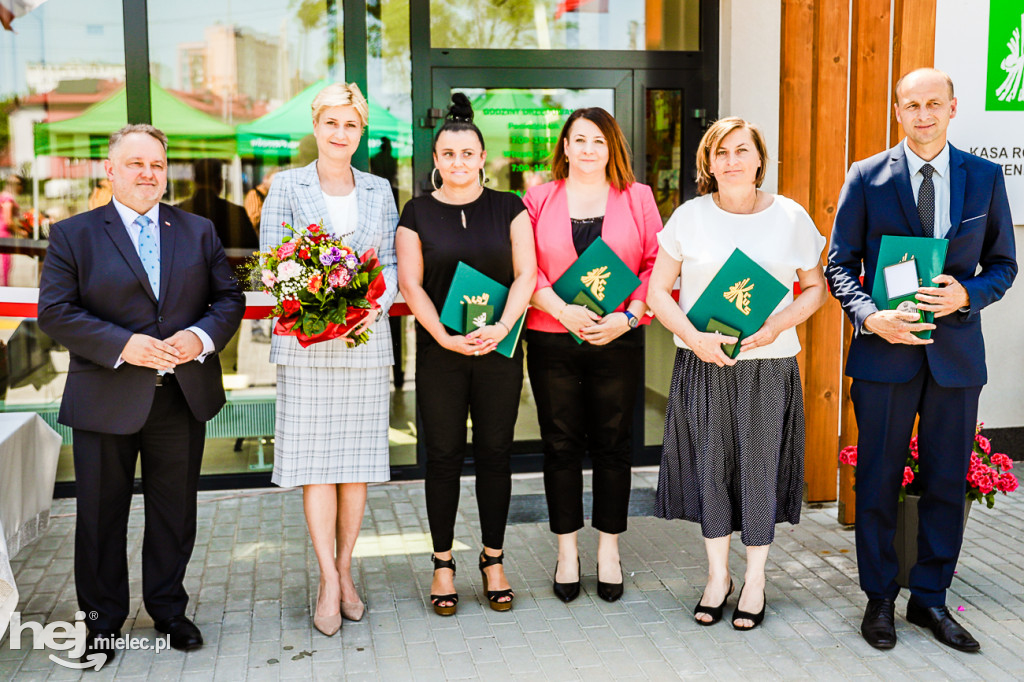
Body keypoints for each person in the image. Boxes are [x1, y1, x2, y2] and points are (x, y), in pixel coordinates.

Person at [36, 124, 245, 663]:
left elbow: (228, 300)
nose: (148, 174)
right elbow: (56, 312)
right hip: (106, 397)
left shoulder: (197, 231)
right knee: (100, 516)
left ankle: (169, 610)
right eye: (136, 164)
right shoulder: (72, 234)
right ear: (110, 170)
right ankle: (102, 623)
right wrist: (124, 345)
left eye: (156, 164)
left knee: (174, 513)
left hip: (181, 396)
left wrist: (198, 337)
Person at [827, 68, 1016, 652]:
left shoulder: (984, 177)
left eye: (934, 103)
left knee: (944, 482)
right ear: (898, 110)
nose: (924, 114)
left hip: (956, 358)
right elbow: (839, 264)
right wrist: (869, 315)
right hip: (885, 356)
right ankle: (880, 598)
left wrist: (967, 293)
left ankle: (930, 600)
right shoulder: (867, 177)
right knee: (879, 480)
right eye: (912, 105)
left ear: (953, 108)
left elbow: (1004, 266)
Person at [647, 117, 827, 630]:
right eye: (721, 152)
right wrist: (694, 336)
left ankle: (756, 578)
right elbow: (659, 291)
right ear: (708, 162)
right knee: (712, 471)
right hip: (704, 364)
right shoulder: (689, 216)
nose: (731, 160)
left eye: (741, 150)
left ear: (758, 159)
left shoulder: (790, 217)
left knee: (757, 471)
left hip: (767, 367)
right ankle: (716, 576)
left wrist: (778, 324)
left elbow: (815, 288)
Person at [259, 82, 399, 636]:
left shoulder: (379, 188)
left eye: (351, 126)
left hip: (363, 345)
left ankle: (346, 571)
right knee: (317, 468)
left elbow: (387, 261)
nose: (341, 134)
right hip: (307, 346)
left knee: (357, 467)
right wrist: (316, 299)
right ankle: (325, 579)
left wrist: (373, 305)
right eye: (332, 123)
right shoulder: (287, 186)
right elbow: (274, 265)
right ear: (315, 127)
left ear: (361, 132)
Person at [396, 93, 536, 616]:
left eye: (467, 153)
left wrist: (502, 326)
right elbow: (411, 284)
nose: (458, 162)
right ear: (436, 160)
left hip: (499, 348)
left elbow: (526, 274)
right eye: (447, 154)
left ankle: (494, 559)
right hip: (442, 353)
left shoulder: (510, 207)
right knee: (444, 457)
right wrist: (442, 335)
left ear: (482, 157)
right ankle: (442, 563)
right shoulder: (416, 212)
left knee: (497, 453)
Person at [524, 107, 661, 603]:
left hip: (616, 336)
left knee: (612, 444)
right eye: (578, 139)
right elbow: (525, 269)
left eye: (598, 141)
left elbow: (655, 264)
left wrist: (628, 317)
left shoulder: (638, 197)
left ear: (612, 148)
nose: (587, 149)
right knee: (559, 443)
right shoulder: (537, 199)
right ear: (564, 146)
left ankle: (608, 549)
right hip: (551, 336)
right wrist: (562, 310)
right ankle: (566, 552)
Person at [180, 158, 259, 250]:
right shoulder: (236, 213)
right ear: (220, 182)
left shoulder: (179, 211)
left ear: (195, 181)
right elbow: (252, 251)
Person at [0, 174, 22, 286]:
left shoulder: (2, 196)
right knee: (4, 269)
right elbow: (8, 220)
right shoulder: (8, 199)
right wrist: (21, 231)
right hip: (3, 235)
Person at [244, 168, 278, 233]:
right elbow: (252, 220)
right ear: (265, 179)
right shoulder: (254, 194)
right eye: (274, 181)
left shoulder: (270, 195)